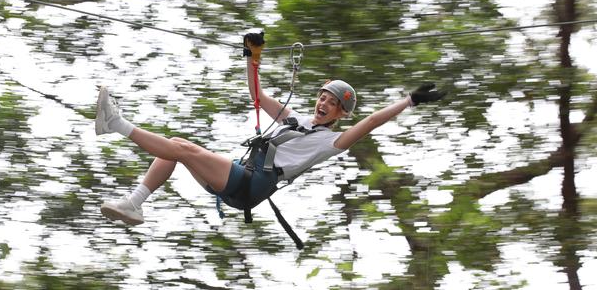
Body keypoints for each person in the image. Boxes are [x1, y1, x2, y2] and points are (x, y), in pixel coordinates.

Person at [96, 32, 446, 226]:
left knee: (184, 150)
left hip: (250, 184)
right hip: (240, 180)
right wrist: (253, 59)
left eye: (333, 103)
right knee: (176, 147)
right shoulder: (296, 120)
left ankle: (117, 124)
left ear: (340, 114)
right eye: (323, 97)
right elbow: (256, 95)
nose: (324, 104)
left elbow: (369, 122)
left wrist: (408, 102)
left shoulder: (330, 141)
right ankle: (133, 204)